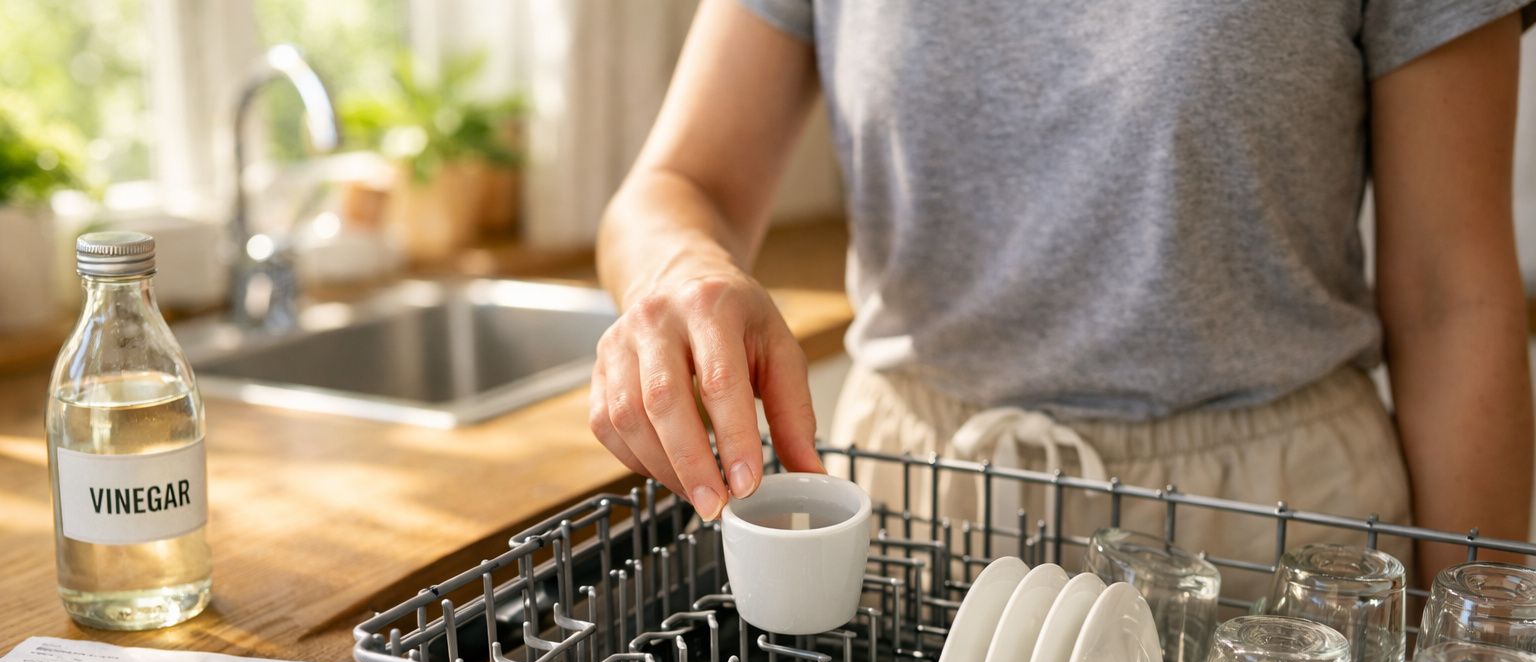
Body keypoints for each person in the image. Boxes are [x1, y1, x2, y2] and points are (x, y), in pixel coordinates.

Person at [588, 0, 1534, 586]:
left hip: (1271, 545)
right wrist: (682, 270)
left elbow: (1452, 297)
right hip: (922, 520)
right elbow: (679, 186)